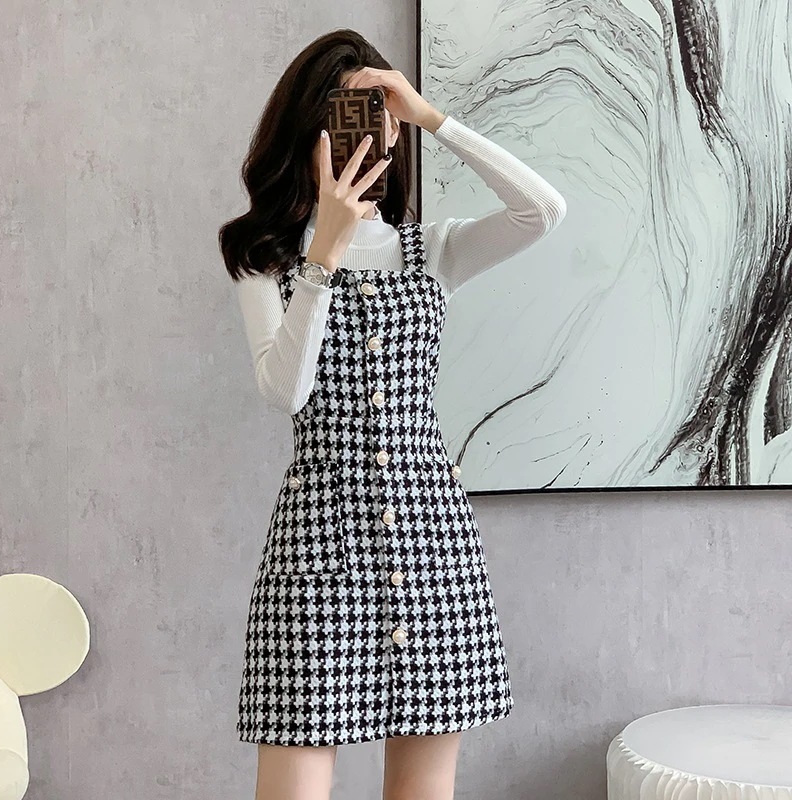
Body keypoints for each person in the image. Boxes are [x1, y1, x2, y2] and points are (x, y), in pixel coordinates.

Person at [220, 27, 566, 800]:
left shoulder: (431, 249)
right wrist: (323, 255)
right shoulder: (263, 255)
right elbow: (285, 392)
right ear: (307, 131)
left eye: (372, 113)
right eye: (339, 115)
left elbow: (543, 210)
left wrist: (434, 117)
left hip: (432, 545)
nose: (358, 132)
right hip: (319, 548)